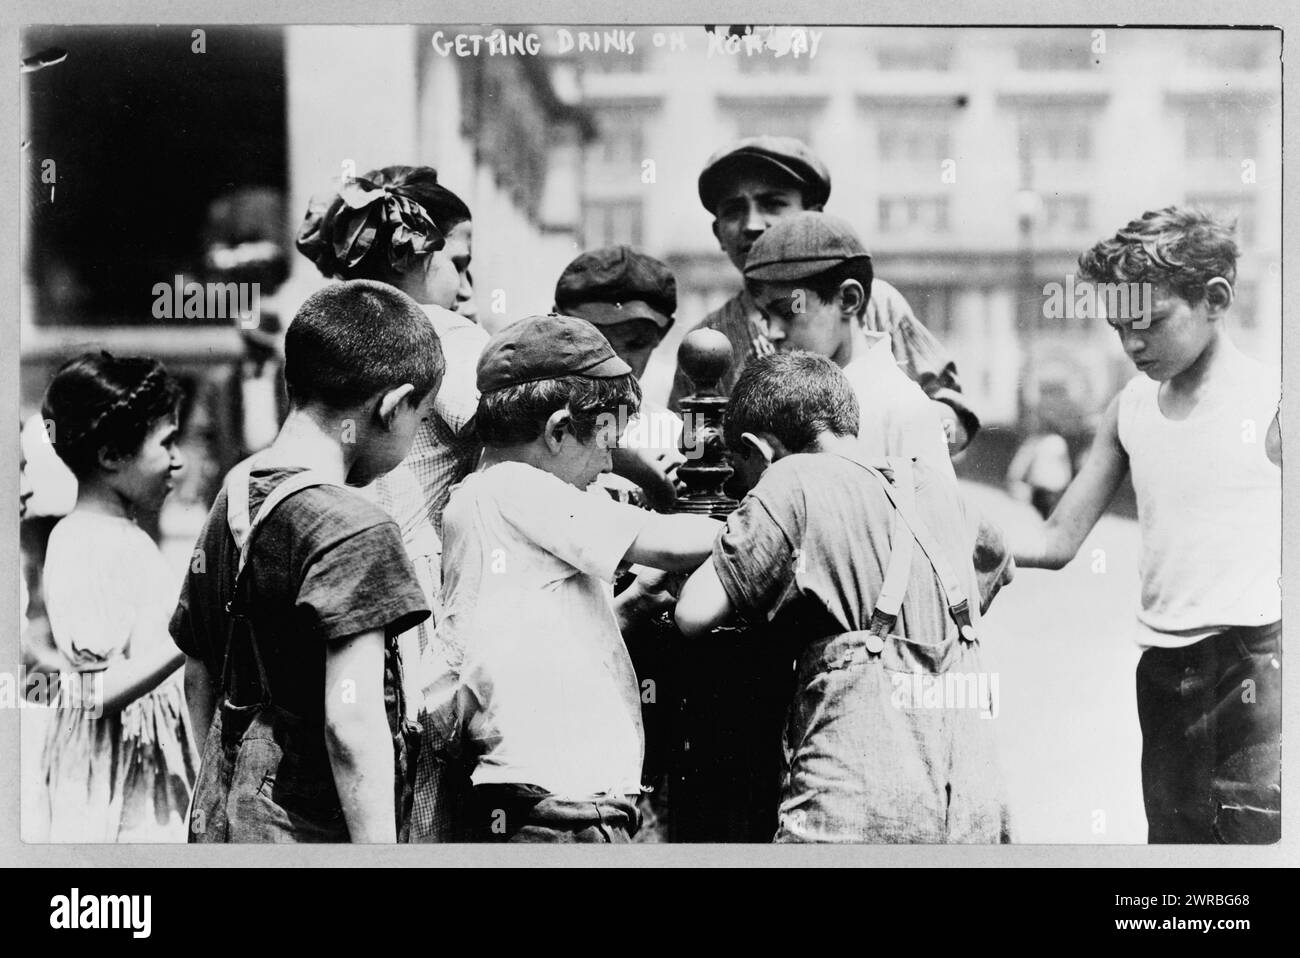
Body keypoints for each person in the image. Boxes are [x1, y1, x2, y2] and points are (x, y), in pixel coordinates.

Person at [1012, 207, 1281, 844]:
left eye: (1150, 322)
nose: (1132, 344)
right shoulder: (1129, 408)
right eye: (1118, 327)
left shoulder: (1273, 399)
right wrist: (957, 534)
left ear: (1215, 299)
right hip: (1164, 672)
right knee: (1175, 845)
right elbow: (1056, 540)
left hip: (1258, 665)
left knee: (1253, 848)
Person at [675, 352, 1006, 842]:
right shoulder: (934, 486)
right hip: (971, 812)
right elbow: (998, 560)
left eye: (741, 473)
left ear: (759, 450)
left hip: (856, 813)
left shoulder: (792, 478)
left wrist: (738, 533)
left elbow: (692, 614)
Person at [428, 314, 721, 842]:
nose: (610, 463)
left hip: (553, 798)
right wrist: (767, 518)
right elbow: (666, 540)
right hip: (561, 810)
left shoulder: (487, 501)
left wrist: (632, 603)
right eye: (607, 442)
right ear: (559, 429)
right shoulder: (515, 488)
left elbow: (535, 635)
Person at [171, 281, 440, 843]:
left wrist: (234, 793)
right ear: (393, 407)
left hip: (229, 828)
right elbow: (350, 722)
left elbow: (198, 669)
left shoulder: (236, 490)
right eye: (420, 419)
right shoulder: (355, 526)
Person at [297, 164, 482, 840]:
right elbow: (531, 426)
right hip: (408, 586)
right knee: (418, 787)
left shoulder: (328, 336)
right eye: (459, 263)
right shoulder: (445, 336)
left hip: (325, 573)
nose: (466, 286)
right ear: (415, 254)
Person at [669, 135, 978, 455]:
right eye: (734, 211)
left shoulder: (875, 305)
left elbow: (954, 415)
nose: (752, 224)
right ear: (718, 232)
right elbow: (689, 455)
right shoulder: (707, 341)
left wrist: (909, 438)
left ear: (813, 216)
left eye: (773, 204)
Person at [38, 353, 198, 842]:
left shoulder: (125, 535)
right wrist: (188, 635)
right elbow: (94, 693)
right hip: (112, 784)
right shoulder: (79, 540)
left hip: (147, 763)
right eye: (166, 442)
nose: (179, 458)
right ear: (111, 456)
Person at [554, 245, 686, 510]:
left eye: (636, 343)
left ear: (662, 333)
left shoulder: (671, 432)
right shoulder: (535, 423)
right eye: (596, 341)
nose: (615, 362)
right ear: (557, 322)